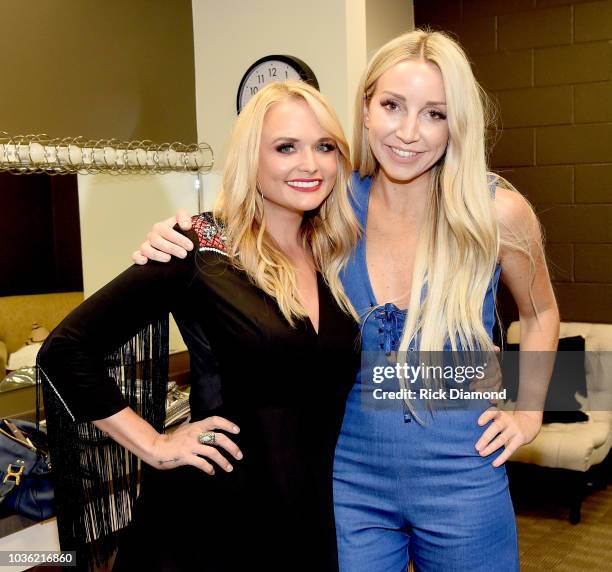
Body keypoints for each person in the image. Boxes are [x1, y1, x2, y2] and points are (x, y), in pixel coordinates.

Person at [132, 30, 560, 571]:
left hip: (465, 474)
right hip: (347, 480)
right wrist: (183, 232)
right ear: (365, 108)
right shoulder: (332, 206)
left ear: (459, 124)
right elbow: (249, 226)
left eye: (435, 113)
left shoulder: (496, 213)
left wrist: (529, 413)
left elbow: (541, 312)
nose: (408, 132)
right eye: (392, 106)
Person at [38, 80, 361, 572]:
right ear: (252, 158)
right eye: (285, 147)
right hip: (213, 520)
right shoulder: (200, 246)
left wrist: (521, 395)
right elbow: (65, 350)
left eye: (325, 147)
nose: (310, 165)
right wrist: (155, 444)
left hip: (308, 516)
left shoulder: (335, 255)